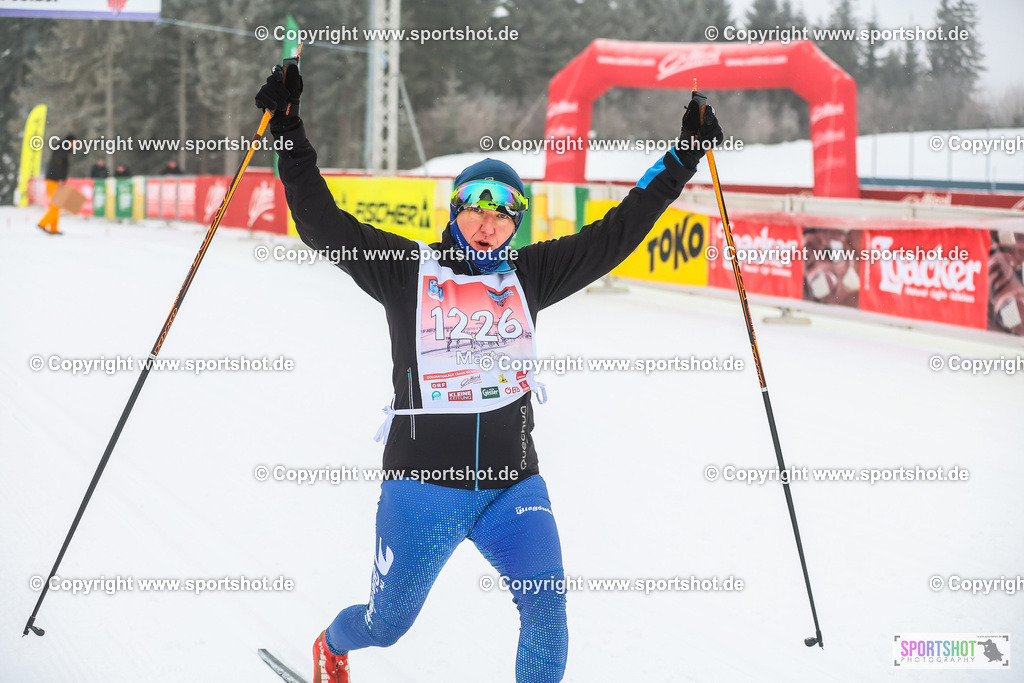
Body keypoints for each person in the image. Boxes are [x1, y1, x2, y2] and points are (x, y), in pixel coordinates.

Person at [255, 62, 722, 683]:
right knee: (385, 625)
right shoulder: (406, 270)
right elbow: (322, 223)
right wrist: (288, 131)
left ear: (515, 224)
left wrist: (683, 157)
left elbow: (617, 232)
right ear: (456, 210)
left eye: (504, 213)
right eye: (477, 205)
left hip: (513, 484)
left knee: (547, 610)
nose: (489, 221)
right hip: (425, 485)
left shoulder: (530, 275)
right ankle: (334, 645)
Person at [37, 133, 75, 235]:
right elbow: (58, 164)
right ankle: (43, 223)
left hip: (53, 178)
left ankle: (53, 228)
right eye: (75, 142)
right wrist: (60, 178)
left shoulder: (61, 148)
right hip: (54, 179)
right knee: (57, 203)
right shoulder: (63, 149)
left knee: (57, 203)